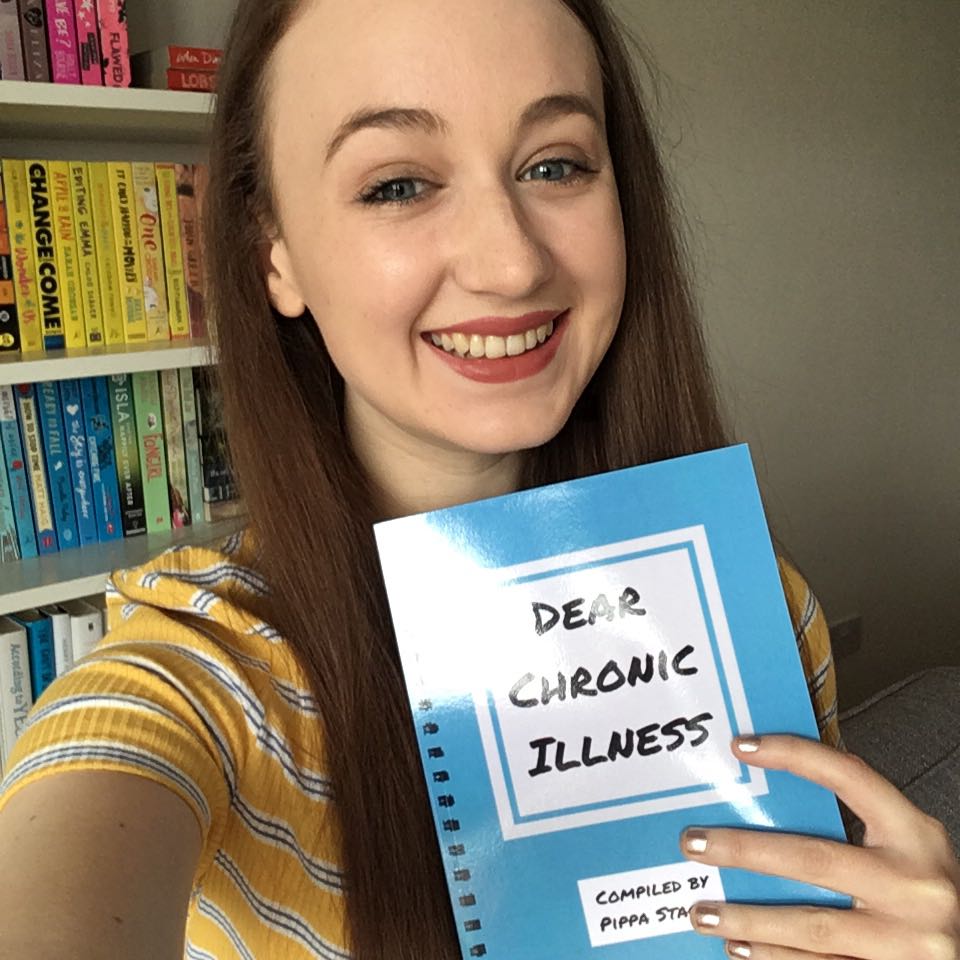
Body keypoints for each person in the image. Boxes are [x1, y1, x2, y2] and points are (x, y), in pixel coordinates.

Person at [0, 0, 957, 957]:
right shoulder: (207, 680)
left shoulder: (766, 611)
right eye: (399, 185)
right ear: (272, 252)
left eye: (556, 165)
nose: (510, 262)